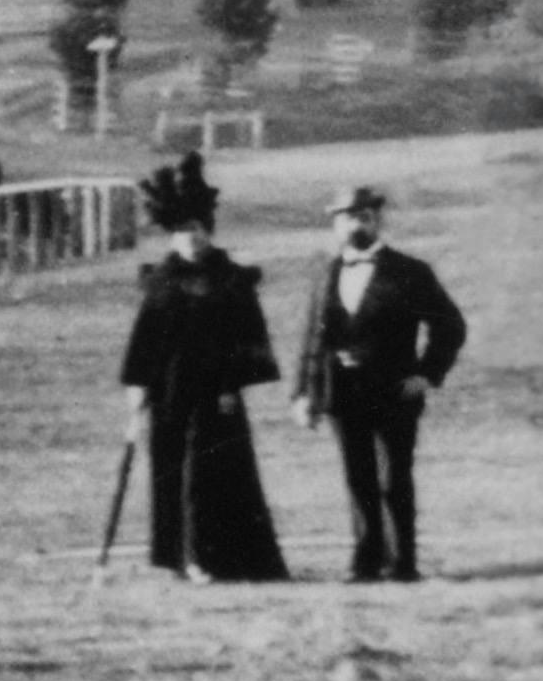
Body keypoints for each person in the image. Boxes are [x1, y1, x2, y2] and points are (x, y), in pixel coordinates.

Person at [115, 154, 290, 582]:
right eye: (180, 231)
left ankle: (220, 557)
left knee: (211, 474)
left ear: (207, 230)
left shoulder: (231, 279)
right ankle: (182, 556)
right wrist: (137, 384)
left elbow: (249, 338)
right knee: (175, 472)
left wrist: (234, 383)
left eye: (194, 229)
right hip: (171, 392)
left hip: (218, 394)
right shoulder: (161, 280)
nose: (188, 238)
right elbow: (146, 336)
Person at [293, 185, 467, 584]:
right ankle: (366, 562)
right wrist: (303, 393)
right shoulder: (326, 272)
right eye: (346, 218)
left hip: (393, 390)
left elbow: (450, 325)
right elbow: (311, 339)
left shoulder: (410, 272)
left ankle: (403, 562)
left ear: (377, 221)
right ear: (336, 225)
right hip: (342, 392)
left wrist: (426, 373)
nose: (355, 224)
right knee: (357, 478)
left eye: (364, 217)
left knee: (394, 478)